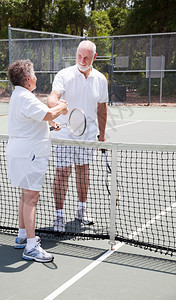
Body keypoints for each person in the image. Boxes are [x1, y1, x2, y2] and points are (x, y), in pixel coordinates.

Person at [6, 59, 68, 262]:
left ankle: (22, 237)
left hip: (21, 151)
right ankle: (31, 247)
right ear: (27, 79)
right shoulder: (26, 97)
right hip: (30, 154)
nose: (36, 77)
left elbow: (37, 119)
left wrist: (50, 124)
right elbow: (48, 113)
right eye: (34, 74)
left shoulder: (18, 95)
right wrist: (62, 106)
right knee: (32, 198)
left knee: (25, 196)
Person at [47, 40, 108, 232]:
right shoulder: (64, 75)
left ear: (94, 58)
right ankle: (59, 215)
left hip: (88, 135)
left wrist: (103, 135)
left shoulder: (100, 79)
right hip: (65, 133)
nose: (82, 60)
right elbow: (52, 97)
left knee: (83, 170)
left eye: (86, 57)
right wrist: (56, 105)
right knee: (63, 172)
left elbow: (102, 108)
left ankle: (82, 209)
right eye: (79, 56)